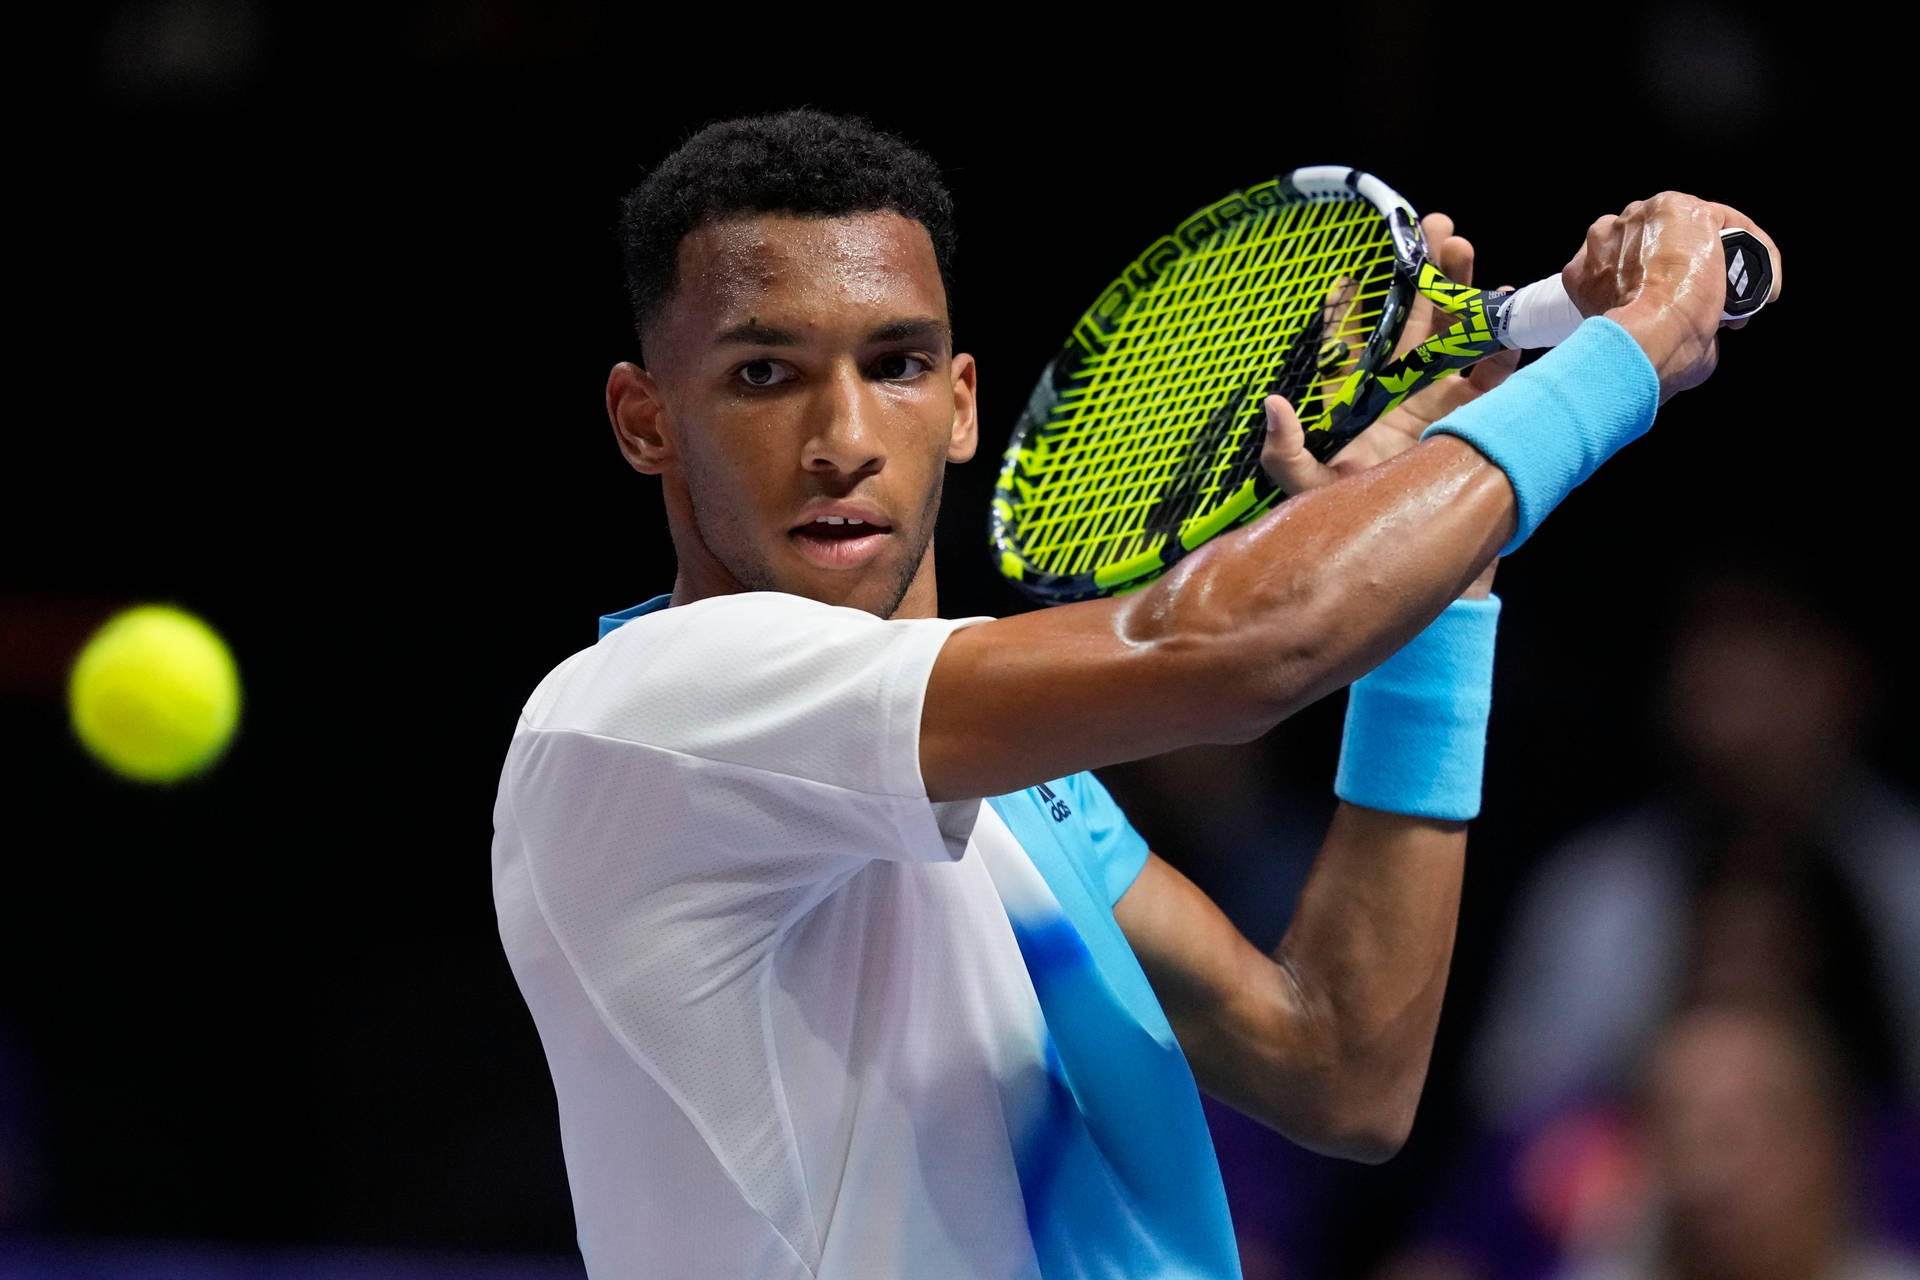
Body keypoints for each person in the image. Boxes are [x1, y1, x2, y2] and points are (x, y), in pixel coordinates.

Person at [490, 109, 1778, 1279]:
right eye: (764, 374)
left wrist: (1443, 595)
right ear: (645, 419)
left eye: (895, 363)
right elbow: (1238, 647)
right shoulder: (642, 718)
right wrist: (1626, 352)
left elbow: (1340, 1066)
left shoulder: (1011, 782)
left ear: (960, 404)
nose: (844, 435)